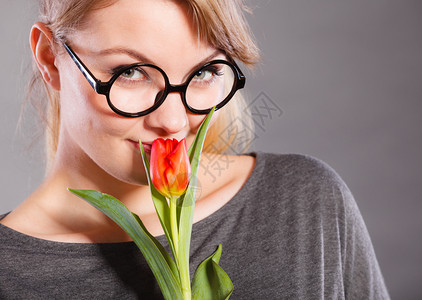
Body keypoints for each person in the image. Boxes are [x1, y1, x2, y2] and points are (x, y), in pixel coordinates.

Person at [0, 0, 390, 298]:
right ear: (50, 58)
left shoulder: (306, 203)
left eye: (204, 72)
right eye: (130, 72)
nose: (173, 121)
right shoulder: (9, 271)